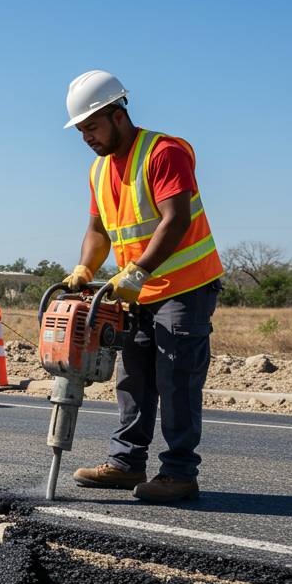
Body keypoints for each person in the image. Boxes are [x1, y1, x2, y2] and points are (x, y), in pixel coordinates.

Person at [61, 71, 224, 503]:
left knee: (177, 378)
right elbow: (97, 230)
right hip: (138, 292)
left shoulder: (164, 151)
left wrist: (138, 271)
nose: (86, 138)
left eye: (91, 127)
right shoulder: (99, 171)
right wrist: (83, 267)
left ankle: (179, 472)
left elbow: (177, 219)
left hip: (185, 287)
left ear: (118, 116)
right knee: (131, 377)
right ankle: (127, 462)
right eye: (80, 131)